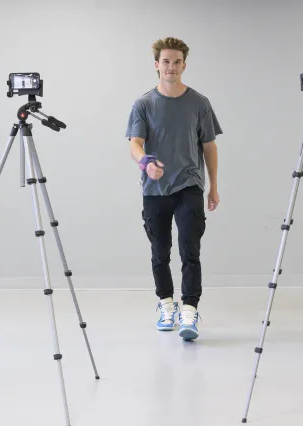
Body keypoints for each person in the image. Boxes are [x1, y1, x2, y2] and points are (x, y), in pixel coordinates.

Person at [125, 37, 222, 341]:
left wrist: (213, 186)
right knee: (160, 251)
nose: (171, 67)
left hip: (189, 186)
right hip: (155, 190)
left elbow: (209, 145)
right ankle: (167, 304)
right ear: (157, 65)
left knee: (190, 250)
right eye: (165, 61)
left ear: (184, 65)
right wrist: (146, 163)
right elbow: (135, 144)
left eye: (176, 62)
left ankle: (190, 310)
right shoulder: (143, 104)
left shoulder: (199, 103)